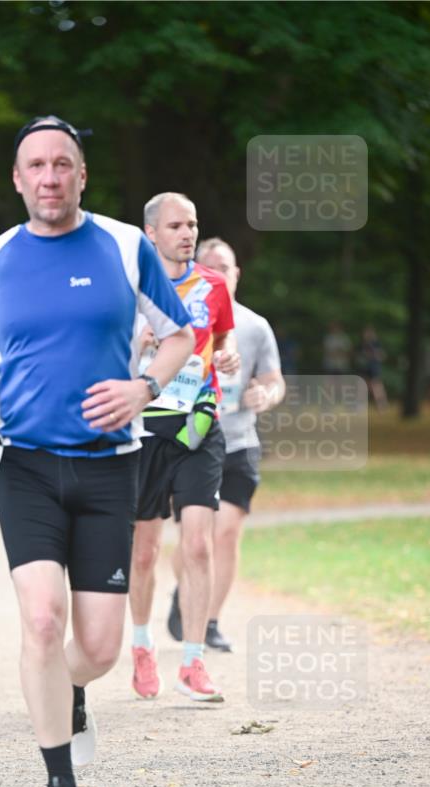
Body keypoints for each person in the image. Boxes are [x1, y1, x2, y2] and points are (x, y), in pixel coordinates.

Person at [0, 116, 194, 787]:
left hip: (111, 468)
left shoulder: (123, 246)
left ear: (82, 175)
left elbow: (178, 336)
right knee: (42, 619)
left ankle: (70, 691)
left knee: (100, 649)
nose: (49, 177)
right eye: (36, 166)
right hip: (21, 465)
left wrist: (143, 388)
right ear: (17, 180)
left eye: (62, 165)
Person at [129, 193, 238, 703]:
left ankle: (192, 662)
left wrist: (231, 359)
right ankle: (142, 645)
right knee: (145, 552)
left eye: (192, 224)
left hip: (198, 425)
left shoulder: (214, 286)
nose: (187, 233)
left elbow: (222, 341)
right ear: (151, 232)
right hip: (145, 428)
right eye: (176, 225)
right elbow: (108, 359)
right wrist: (139, 346)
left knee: (198, 544)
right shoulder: (130, 285)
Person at [167, 238, 285, 651]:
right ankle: (183, 596)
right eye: (209, 266)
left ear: (237, 275)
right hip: (191, 440)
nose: (219, 273)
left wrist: (264, 396)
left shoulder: (255, 327)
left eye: (226, 267)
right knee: (194, 536)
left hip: (239, 441)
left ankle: (211, 619)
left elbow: (274, 382)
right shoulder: (178, 319)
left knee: (227, 532)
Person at [356, 325, 388, 411]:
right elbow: (358, 357)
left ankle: (381, 405)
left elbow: (382, 356)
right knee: (362, 386)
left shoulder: (376, 344)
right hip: (364, 368)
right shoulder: (361, 344)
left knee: (376, 386)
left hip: (374, 368)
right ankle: (360, 405)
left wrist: (373, 354)